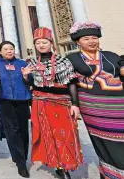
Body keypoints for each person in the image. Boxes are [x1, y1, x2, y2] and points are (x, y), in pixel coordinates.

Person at [23, 27, 84, 179]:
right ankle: (57, 166)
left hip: (61, 103)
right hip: (40, 103)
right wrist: (25, 76)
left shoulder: (63, 61)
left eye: (44, 42)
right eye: (38, 42)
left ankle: (66, 165)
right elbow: (32, 83)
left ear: (51, 43)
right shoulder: (31, 62)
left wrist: (75, 104)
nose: (41, 45)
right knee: (47, 135)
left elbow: (71, 83)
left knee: (65, 135)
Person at [66, 21, 124, 179]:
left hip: (120, 105)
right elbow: (70, 82)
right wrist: (75, 104)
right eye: (86, 39)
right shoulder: (72, 59)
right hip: (94, 107)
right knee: (105, 141)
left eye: (94, 38)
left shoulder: (111, 56)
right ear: (78, 42)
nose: (91, 41)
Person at [0, 40, 31, 178]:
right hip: (5, 100)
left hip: (22, 100)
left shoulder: (22, 63)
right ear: (0, 51)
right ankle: (20, 162)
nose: (9, 51)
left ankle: (24, 156)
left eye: (11, 48)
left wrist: (27, 76)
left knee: (23, 130)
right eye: (6, 49)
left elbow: (30, 81)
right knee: (12, 130)